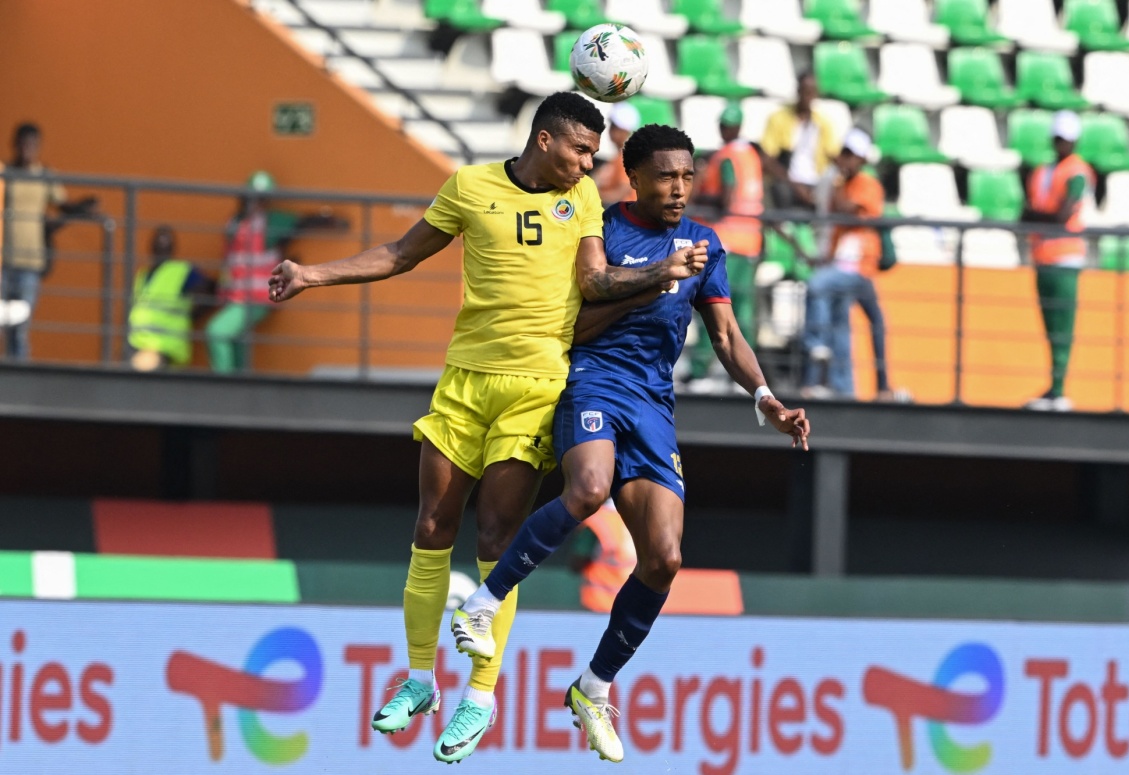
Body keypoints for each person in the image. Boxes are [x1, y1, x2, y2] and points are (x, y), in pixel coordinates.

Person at [267, 93, 706, 764]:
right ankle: (419, 679)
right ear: (544, 141)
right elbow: (401, 253)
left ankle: (479, 694)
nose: (589, 164)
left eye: (594, 154)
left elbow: (594, 282)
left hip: (536, 386)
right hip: (465, 380)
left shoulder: (583, 199)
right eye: (581, 150)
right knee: (431, 526)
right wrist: (310, 274)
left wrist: (656, 274)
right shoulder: (469, 187)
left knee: (497, 536)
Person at [448, 123, 811, 763]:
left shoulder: (703, 243)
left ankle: (593, 687)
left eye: (687, 177)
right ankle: (483, 602)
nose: (679, 189)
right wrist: (650, 278)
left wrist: (766, 399)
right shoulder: (599, 227)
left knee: (665, 558)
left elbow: (726, 336)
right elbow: (573, 323)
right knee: (588, 489)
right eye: (666, 177)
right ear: (634, 177)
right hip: (593, 378)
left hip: (653, 402)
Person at [206, 171, 342, 373]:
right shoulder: (235, 223)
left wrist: (330, 220)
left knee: (216, 331)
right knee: (238, 344)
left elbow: (302, 223)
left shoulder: (270, 221)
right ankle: (240, 388)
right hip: (235, 297)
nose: (253, 203)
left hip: (257, 298)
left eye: (260, 199)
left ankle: (224, 388)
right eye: (251, 197)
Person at [801, 128, 893, 400]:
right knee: (840, 323)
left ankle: (817, 346)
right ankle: (844, 388)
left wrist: (838, 178)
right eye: (844, 153)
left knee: (817, 285)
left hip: (859, 267)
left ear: (862, 159)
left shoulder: (867, 184)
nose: (845, 159)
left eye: (851, 155)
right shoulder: (841, 185)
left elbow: (847, 210)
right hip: (840, 264)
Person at [687, 103, 766, 388]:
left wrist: (699, 200)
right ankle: (748, 378)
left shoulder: (727, 157)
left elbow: (727, 198)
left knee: (713, 306)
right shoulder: (751, 155)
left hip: (727, 242)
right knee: (743, 311)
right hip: (749, 241)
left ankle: (701, 371)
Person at [0, 123, 96, 359]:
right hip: (3, 262)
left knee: (19, 329)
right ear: (15, 144)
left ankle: (19, 374)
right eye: (23, 143)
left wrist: (82, 207)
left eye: (32, 144)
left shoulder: (45, 176)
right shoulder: (5, 173)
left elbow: (62, 205)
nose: (27, 149)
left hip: (30, 264)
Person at [1021, 111, 1093, 412]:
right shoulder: (1043, 171)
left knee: (1062, 326)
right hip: (1043, 256)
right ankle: (1053, 387)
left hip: (1065, 257)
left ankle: (1059, 389)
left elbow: (1062, 216)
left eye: (1067, 139)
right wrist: (1041, 217)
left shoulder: (1077, 171)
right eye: (1059, 138)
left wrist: (1038, 217)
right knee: (1051, 326)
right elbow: (1026, 213)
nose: (1062, 144)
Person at [127, 226, 215, 372]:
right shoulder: (142, 275)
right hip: (138, 344)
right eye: (159, 242)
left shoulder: (182, 271)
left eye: (166, 243)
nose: (162, 247)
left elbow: (211, 290)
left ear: (173, 248)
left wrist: (193, 315)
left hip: (164, 347)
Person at [761, 72, 839, 212]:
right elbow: (767, 159)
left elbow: (833, 155)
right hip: (787, 182)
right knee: (780, 190)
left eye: (811, 92)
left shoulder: (823, 123)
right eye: (805, 92)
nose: (808, 97)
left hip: (815, 182)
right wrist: (795, 186)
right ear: (798, 91)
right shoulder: (779, 118)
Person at [570, 498, 636, 614]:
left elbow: (578, 560)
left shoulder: (598, 520)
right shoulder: (642, 518)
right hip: (637, 605)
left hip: (601, 603)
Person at [592, 102, 640, 207]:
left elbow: (619, 194)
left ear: (625, 131)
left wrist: (589, 196)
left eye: (614, 126)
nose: (611, 129)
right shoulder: (616, 158)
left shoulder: (628, 159)